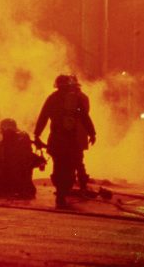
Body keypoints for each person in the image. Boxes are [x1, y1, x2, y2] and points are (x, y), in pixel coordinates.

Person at [34, 74, 96, 208]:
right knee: (71, 166)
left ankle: (61, 193)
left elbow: (43, 117)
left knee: (59, 166)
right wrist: (92, 133)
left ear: (56, 85)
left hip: (56, 140)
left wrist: (37, 134)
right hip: (71, 140)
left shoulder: (52, 99)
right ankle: (65, 189)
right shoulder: (75, 99)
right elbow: (85, 117)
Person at [0, 118, 44, 198]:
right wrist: (40, 160)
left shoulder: (4, 139)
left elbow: (0, 158)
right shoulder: (24, 136)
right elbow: (28, 154)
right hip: (26, 186)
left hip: (9, 183)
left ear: (4, 127)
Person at [69, 75, 96, 191]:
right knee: (77, 159)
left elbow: (83, 115)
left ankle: (74, 182)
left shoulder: (75, 98)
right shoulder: (83, 97)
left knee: (73, 158)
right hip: (79, 132)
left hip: (73, 133)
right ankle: (80, 181)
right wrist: (92, 133)